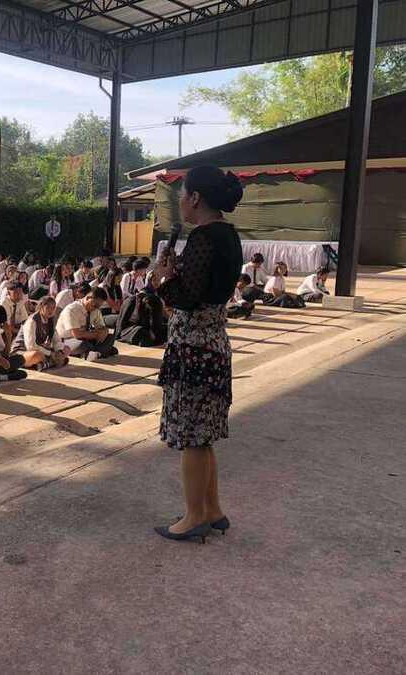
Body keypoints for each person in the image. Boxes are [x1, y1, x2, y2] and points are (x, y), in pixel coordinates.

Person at [149, 165, 243, 543]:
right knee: (203, 437)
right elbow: (204, 288)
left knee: (191, 437)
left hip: (193, 347)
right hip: (213, 342)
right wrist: (177, 274)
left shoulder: (204, 237)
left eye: (182, 195)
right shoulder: (228, 235)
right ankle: (212, 509)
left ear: (196, 198)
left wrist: (162, 280)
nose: (180, 203)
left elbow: (186, 298)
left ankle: (193, 517)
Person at [55, 287, 118, 361]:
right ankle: (100, 351)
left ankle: (92, 352)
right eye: (95, 305)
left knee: (110, 337)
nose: (96, 308)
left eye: (98, 306)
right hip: (68, 340)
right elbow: (77, 334)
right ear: (88, 298)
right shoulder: (72, 309)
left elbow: (102, 327)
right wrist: (97, 335)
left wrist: (104, 332)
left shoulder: (95, 310)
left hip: (87, 337)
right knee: (82, 344)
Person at [11, 296, 68, 371]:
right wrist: (50, 354)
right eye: (48, 307)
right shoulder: (32, 321)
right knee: (37, 355)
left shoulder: (50, 320)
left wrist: (59, 351)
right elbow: (31, 346)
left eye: (53, 308)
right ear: (41, 307)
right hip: (22, 352)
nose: (51, 310)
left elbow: (56, 340)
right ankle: (48, 363)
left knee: (66, 349)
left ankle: (44, 364)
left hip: (40, 350)